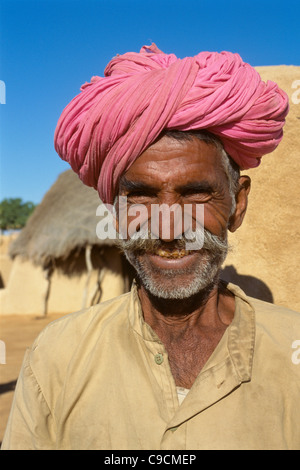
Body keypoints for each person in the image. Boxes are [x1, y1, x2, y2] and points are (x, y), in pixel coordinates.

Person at [2, 44, 300, 450]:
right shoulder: (57, 355)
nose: (168, 226)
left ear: (238, 204)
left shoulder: (291, 352)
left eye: (196, 194)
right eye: (141, 196)